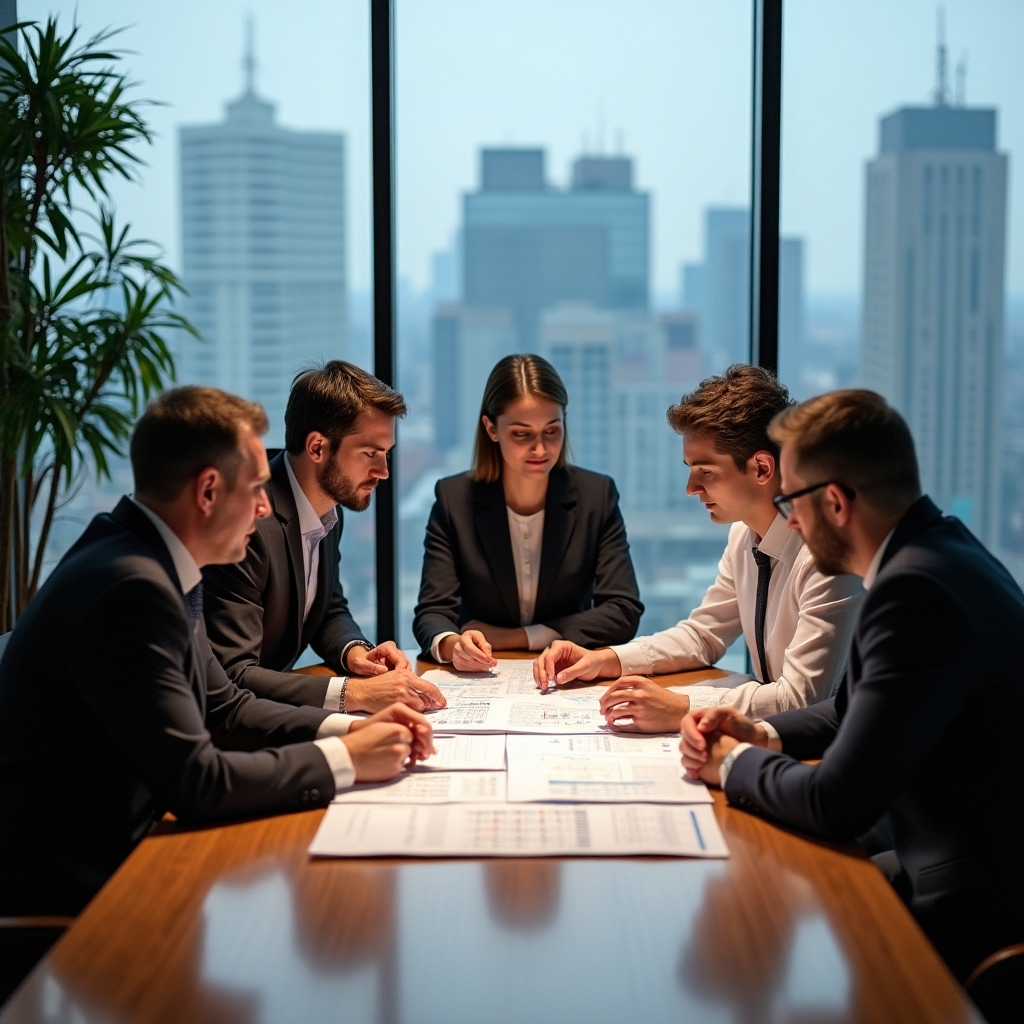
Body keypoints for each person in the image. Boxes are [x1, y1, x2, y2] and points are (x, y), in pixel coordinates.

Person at [0, 387, 434, 916]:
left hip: (127, 836)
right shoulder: (132, 589)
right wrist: (345, 759)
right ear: (207, 492)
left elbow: (223, 705)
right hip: (75, 885)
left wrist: (351, 729)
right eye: (255, 487)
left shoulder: (156, 558)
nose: (263, 505)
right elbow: (197, 783)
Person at [680, 389, 1024, 981]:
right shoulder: (937, 551)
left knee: (761, 913)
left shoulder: (915, 594)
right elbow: (847, 710)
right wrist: (758, 732)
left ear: (835, 502)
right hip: (949, 852)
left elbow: (836, 802)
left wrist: (730, 763)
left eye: (791, 501)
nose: (787, 520)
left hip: (974, 903)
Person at [533, 364, 862, 731]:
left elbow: (802, 699)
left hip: (830, 750)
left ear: (762, 469)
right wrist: (603, 659)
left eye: (705, 472)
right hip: (771, 736)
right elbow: (703, 635)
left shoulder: (826, 556)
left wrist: (683, 707)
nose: (691, 488)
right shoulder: (744, 534)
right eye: (690, 468)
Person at [202, 361, 445, 714]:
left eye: (387, 454)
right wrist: (355, 694)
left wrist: (356, 652)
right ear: (317, 448)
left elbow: (327, 604)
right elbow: (233, 674)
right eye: (370, 453)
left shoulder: (329, 506)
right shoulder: (248, 522)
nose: (384, 472)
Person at [413, 353, 643, 671]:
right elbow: (432, 613)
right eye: (522, 434)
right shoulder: (454, 500)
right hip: (483, 676)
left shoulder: (596, 495)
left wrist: (520, 637)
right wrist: (455, 645)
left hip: (567, 674)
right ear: (491, 428)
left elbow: (623, 609)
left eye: (552, 431)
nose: (540, 449)